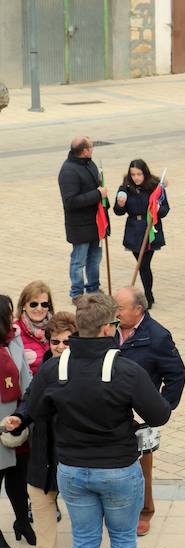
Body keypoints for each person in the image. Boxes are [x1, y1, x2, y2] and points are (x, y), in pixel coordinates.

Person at [20, 293, 171, 548]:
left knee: (85, 541)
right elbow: (159, 414)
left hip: (73, 469)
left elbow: (35, 411)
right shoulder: (125, 370)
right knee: (123, 539)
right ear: (107, 328)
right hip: (118, 469)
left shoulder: (54, 369)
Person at [7, 311, 109, 548]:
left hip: (75, 449)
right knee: (40, 499)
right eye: (55, 342)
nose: (61, 347)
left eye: (67, 342)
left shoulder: (86, 369)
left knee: (83, 505)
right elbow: (30, 398)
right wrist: (19, 418)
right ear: (49, 342)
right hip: (44, 447)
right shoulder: (45, 368)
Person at [114, 287, 185, 536]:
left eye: (120, 308)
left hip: (141, 414)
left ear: (138, 310)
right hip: (112, 410)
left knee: (143, 464)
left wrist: (161, 407)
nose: (116, 312)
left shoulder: (157, 336)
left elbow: (176, 374)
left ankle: (145, 511)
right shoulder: (109, 329)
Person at [0, 294, 34, 548]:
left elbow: (26, 374)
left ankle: (22, 520)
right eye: (9, 313)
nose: (14, 318)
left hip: (17, 419)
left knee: (18, 475)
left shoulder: (14, 339)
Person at [113, 159, 168, 308]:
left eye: (139, 174)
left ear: (145, 173)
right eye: (133, 174)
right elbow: (118, 211)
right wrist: (120, 204)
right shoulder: (125, 188)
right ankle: (148, 295)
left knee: (144, 264)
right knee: (141, 263)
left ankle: (148, 296)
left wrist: (157, 209)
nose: (136, 177)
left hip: (150, 228)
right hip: (133, 229)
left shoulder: (154, 187)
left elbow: (165, 209)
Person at [59, 136, 107, 300]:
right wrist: (97, 194)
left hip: (95, 222)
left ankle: (93, 288)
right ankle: (77, 293)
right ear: (85, 151)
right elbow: (70, 201)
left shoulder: (89, 163)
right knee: (79, 260)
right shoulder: (68, 171)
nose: (93, 149)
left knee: (95, 258)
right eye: (91, 146)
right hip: (79, 226)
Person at [15, 281, 54, 374]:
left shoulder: (56, 327)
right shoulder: (14, 331)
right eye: (34, 304)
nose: (39, 308)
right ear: (24, 305)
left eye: (44, 304)